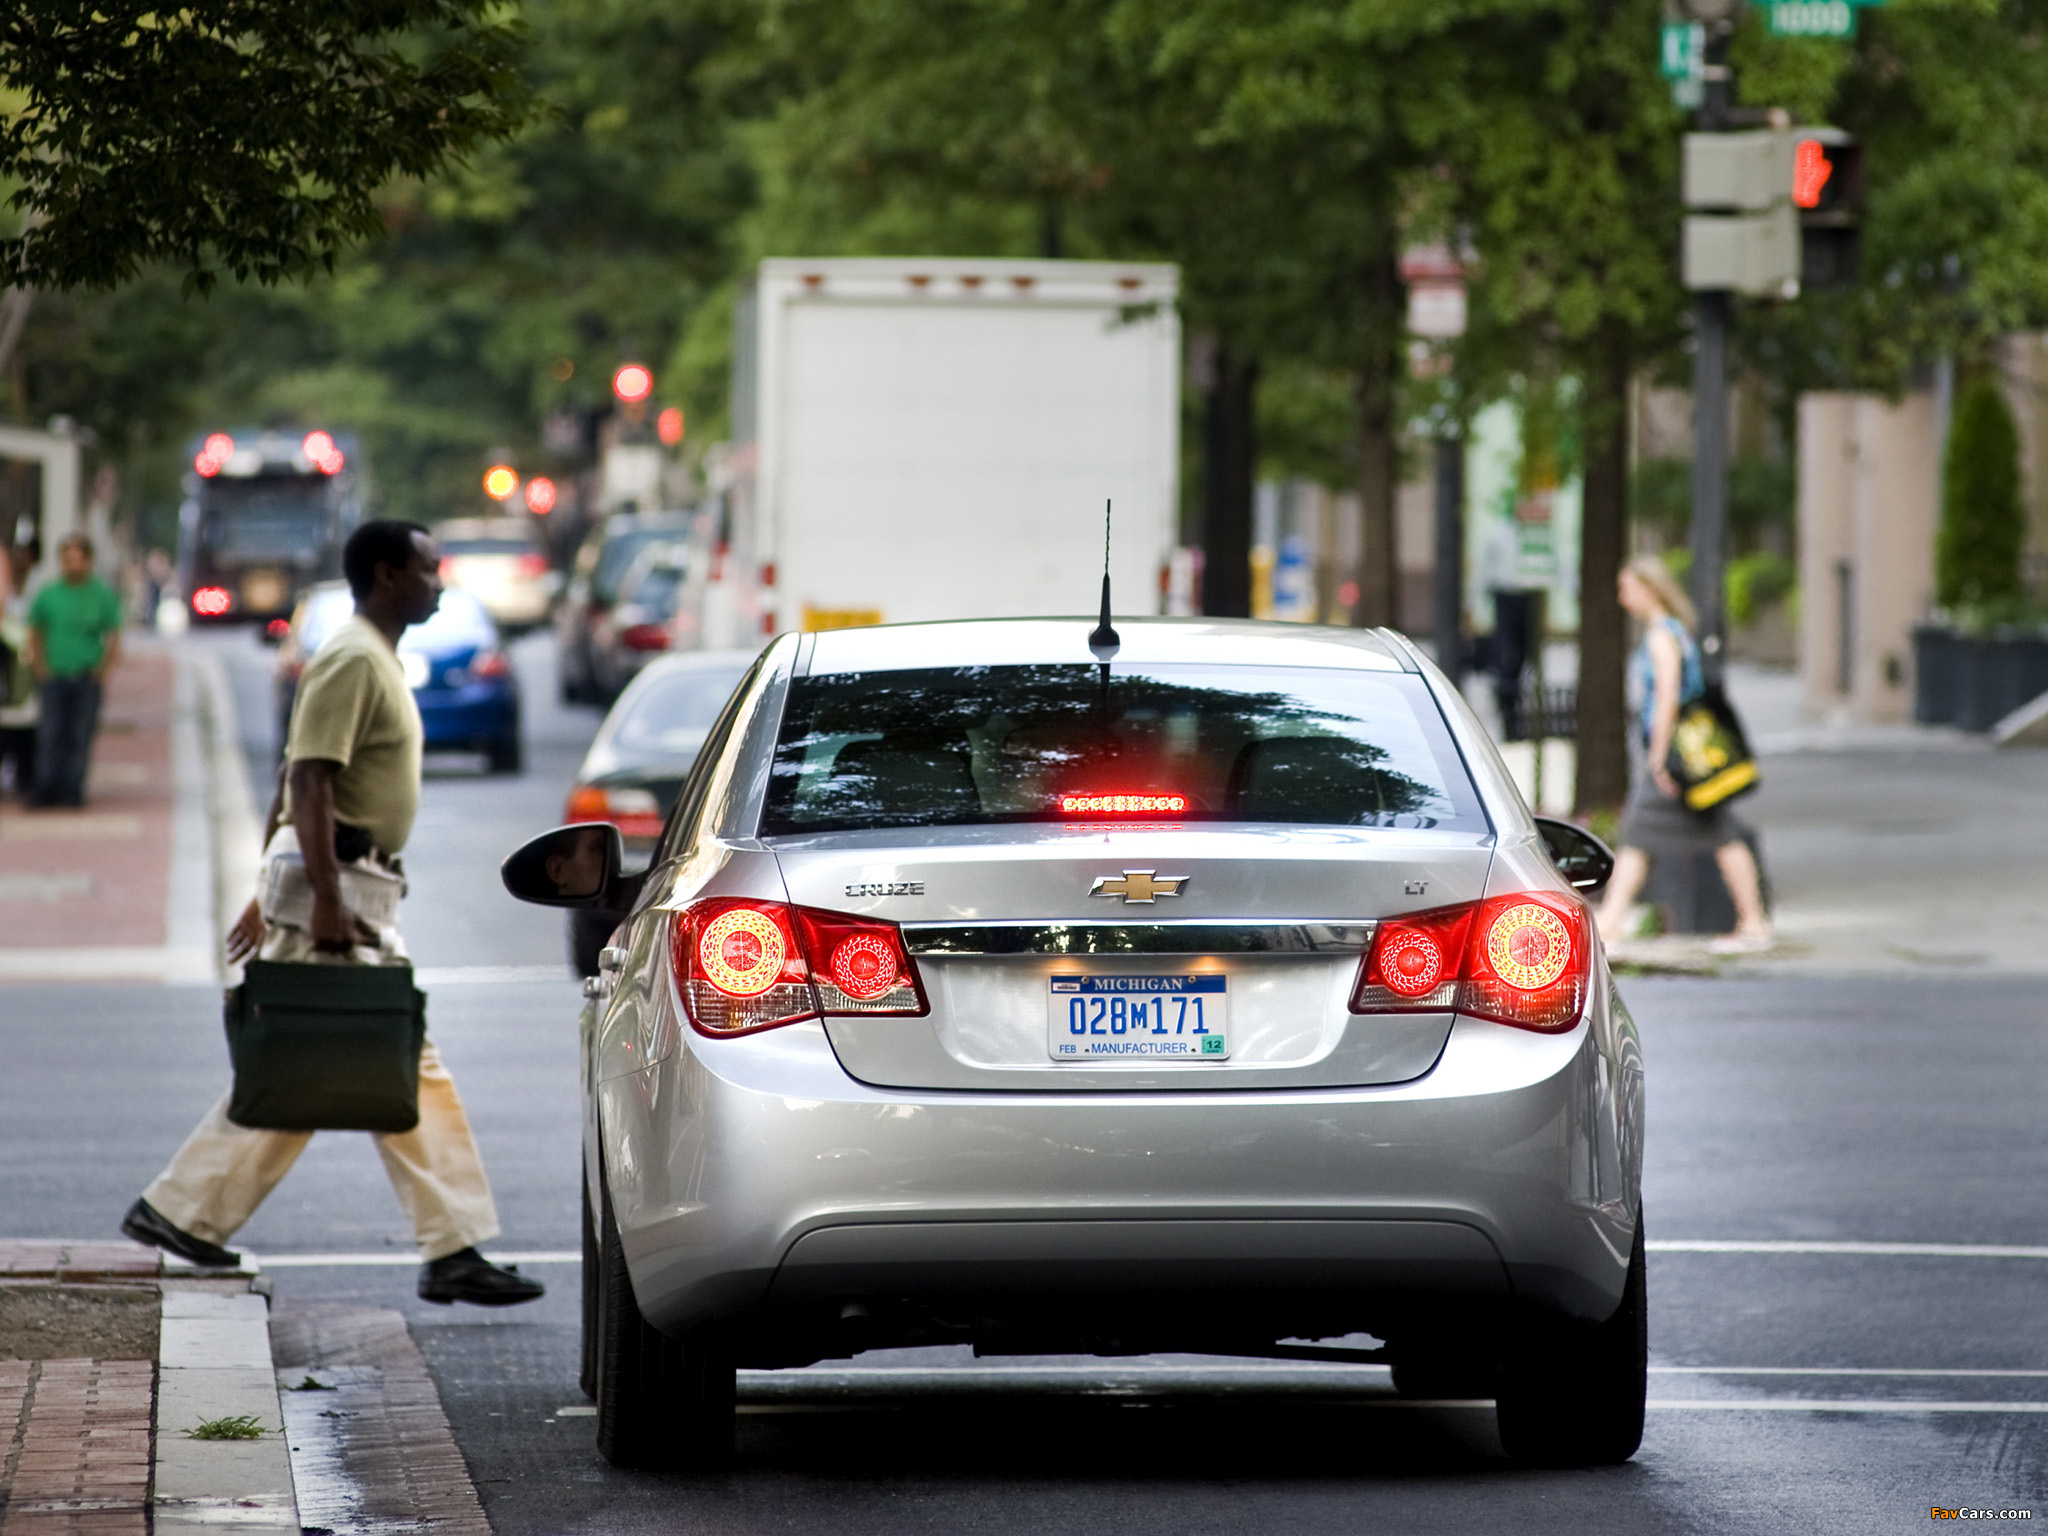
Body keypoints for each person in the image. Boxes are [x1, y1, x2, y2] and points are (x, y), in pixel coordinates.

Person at [122, 520, 544, 1307]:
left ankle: (189, 1213)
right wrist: (316, 898)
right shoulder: (352, 657)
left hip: (349, 883)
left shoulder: (368, 656)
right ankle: (183, 1212)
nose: (439, 582)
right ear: (387, 575)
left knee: (355, 1063)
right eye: (427, 568)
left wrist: (272, 888)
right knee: (341, 1062)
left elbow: (294, 778)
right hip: (339, 888)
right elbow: (310, 779)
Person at [1594, 554, 1772, 954]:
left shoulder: (1661, 636)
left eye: (1628, 589)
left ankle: (1612, 918)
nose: (1623, 598)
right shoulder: (1675, 632)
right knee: (1716, 833)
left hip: (1676, 758)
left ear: (1650, 589)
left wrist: (1658, 758)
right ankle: (1753, 920)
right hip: (1689, 756)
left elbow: (1668, 696)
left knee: (1641, 832)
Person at [25, 533, 123, 807]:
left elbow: (114, 633)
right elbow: (35, 629)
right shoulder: (49, 594)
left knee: (79, 734)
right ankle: (45, 787)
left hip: (86, 675)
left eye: (78, 560)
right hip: (54, 675)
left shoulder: (100, 595)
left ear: (89, 562)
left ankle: (72, 789)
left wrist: (102, 670)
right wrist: (39, 665)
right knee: (50, 733)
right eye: (68, 560)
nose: (73, 566)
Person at [0, 544, 40, 799]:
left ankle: (25, 777)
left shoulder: (38, 587)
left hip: (27, 667)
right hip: (8, 663)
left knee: (28, 726)